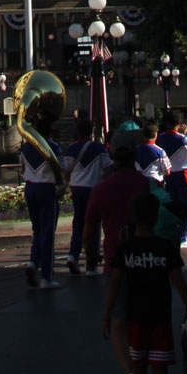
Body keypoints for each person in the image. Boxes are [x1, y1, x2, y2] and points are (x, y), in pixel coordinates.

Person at [103, 191, 187, 374]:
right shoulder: (165, 248)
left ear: (134, 218)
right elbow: (177, 278)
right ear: (156, 217)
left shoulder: (126, 249)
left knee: (138, 367)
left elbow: (115, 282)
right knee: (160, 369)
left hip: (135, 317)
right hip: (159, 315)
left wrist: (107, 314)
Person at [84, 144, 151, 374]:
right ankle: (145, 366)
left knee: (118, 321)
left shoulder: (101, 190)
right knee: (144, 317)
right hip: (144, 258)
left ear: (111, 161)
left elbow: (90, 231)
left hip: (115, 260)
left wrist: (90, 255)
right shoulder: (142, 183)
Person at [62, 117, 112, 274]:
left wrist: (69, 182)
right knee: (94, 225)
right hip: (94, 188)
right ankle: (91, 263)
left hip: (77, 188)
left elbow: (66, 171)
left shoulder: (71, 149)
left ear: (78, 132)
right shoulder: (98, 148)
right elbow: (107, 169)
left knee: (78, 223)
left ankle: (73, 255)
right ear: (91, 131)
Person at [21, 113, 63, 290]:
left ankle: (32, 261)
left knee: (37, 230)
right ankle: (46, 277)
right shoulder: (53, 147)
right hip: (46, 188)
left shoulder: (25, 148)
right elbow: (59, 170)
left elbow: (22, 167)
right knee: (48, 233)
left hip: (30, 188)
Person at [156, 113, 187, 248]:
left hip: (168, 175)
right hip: (183, 174)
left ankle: (172, 233)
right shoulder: (182, 138)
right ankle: (183, 237)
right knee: (184, 206)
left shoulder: (160, 138)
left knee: (171, 206)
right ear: (179, 123)